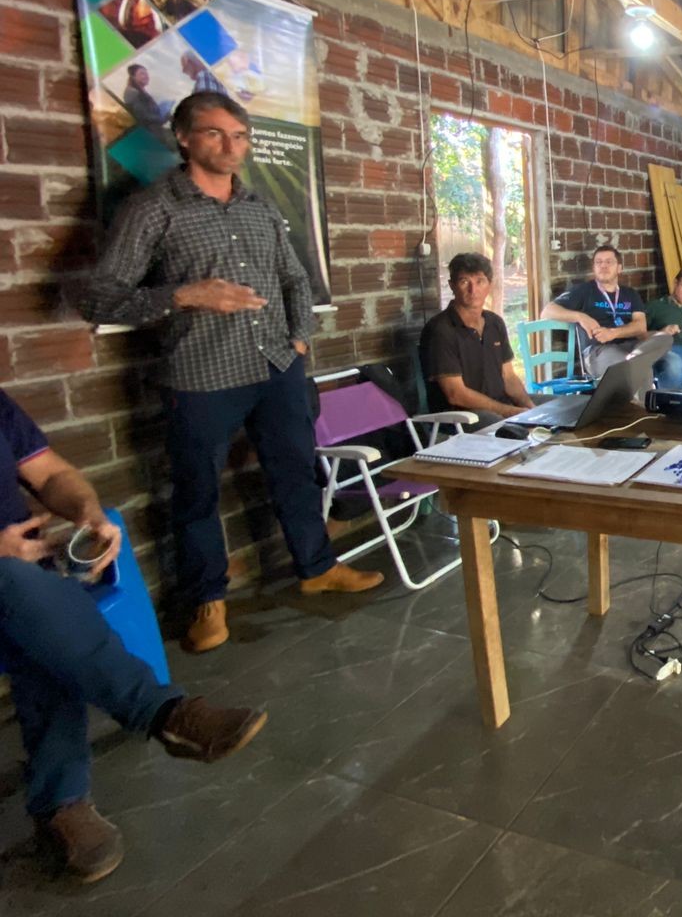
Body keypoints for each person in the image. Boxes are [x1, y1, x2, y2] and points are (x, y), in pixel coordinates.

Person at [80, 92, 382, 655]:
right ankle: (206, 600)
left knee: (296, 471)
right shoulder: (154, 209)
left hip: (274, 364)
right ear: (185, 138)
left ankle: (316, 567)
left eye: (240, 135)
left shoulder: (259, 206)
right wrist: (185, 294)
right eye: (216, 134)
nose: (232, 146)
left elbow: (296, 279)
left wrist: (298, 341)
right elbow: (99, 298)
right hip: (199, 374)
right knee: (196, 493)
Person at [0, 386, 269, 883]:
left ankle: (62, 805)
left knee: (37, 617)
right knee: (22, 591)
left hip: (28, 585)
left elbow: (52, 474)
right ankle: (161, 711)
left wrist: (87, 512)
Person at [419, 252, 537, 424]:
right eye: (464, 281)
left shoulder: (494, 323)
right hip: (462, 417)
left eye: (479, 281)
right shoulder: (440, 330)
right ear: (452, 286)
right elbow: (455, 394)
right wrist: (508, 411)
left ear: (490, 285)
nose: (473, 290)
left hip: (499, 405)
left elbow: (509, 377)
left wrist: (532, 409)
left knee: (556, 405)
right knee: (498, 422)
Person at [540, 245, 649, 380]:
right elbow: (547, 312)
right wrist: (580, 316)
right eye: (598, 262)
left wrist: (613, 333)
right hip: (598, 351)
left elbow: (640, 327)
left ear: (619, 268)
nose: (603, 266)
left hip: (631, 346)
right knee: (631, 366)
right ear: (594, 268)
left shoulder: (630, 294)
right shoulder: (583, 291)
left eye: (609, 262)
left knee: (665, 353)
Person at [120, 64, 164, 131]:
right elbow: (142, 116)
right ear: (133, 77)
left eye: (146, 73)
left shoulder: (139, 91)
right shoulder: (133, 93)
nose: (146, 76)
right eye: (142, 73)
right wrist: (161, 117)